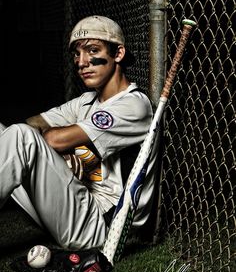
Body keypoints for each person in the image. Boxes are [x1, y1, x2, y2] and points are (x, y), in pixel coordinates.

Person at [0, 15, 155, 250]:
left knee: (22, 138)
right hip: (70, 206)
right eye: (77, 54)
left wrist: (58, 148)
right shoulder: (86, 101)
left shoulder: (134, 105)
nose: (82, 62)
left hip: (99, 226)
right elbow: (34, 122)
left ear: (118, 54)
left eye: (92, 50)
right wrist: (59, 155)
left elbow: (51, 138)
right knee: (9, 132)